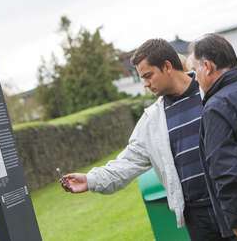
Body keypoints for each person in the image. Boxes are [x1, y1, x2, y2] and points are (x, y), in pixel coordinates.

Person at [60, 39, 225, 240]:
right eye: (141, 78)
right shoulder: (152, 120)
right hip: (197, 217)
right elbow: (127, 162)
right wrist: (90, 180)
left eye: (148, 76)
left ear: (167, 66)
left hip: (235, 202)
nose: (145, 84)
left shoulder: (212, 91)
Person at [189, 33, 237, 241]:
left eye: (195, 70)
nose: (195, 78)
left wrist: (236, 220)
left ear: (208, 66)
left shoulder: (216, 108)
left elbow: (227, 169)